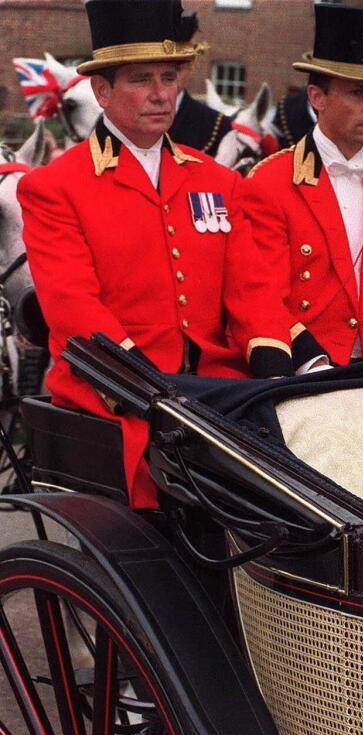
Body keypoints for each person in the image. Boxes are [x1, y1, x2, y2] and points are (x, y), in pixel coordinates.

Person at [17, 0, 295, 508]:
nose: (161, 94)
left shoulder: (218, 181)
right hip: (114, 393)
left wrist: (276, 368)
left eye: (169, 78)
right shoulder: (54, 187)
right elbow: (75, 311)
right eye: (141, 79)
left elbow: (253, 289)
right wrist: (154, 390)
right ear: (101, 90)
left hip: (215, 390)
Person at [240, 3, 363, 370]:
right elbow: (262, 297)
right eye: (357, 93)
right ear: (317, 97)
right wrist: (313, 367)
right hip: (297, 369)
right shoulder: (269, 183)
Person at [164, 6, 231, 157]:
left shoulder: (215, 125)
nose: (169, 80)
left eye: (178, 69)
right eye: (162, 71)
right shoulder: (125, 118)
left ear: (191, 67)